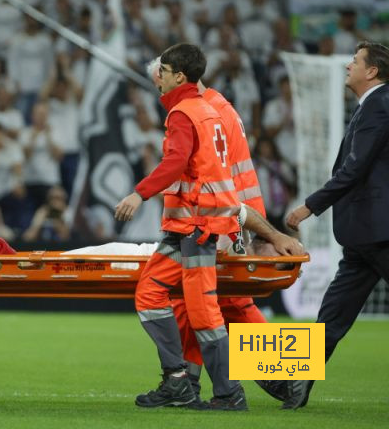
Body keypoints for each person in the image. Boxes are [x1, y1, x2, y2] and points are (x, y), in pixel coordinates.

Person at [147, 56, 301, 402]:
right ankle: (189, 384)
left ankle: (288, 377)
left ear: (179, 78)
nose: (161, 89)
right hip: (227, 218)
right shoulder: (215, 108)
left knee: (230, 303)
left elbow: (223, 179)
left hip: (226, 221)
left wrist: (261, 233)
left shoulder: (206, 114)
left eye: (162, 81)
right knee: (196, 302)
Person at [115, 43, 246, 410]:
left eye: (165, 70)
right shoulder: (209, 109)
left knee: (211, 310)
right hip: (203, 223)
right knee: (152, 293)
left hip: (199, 224)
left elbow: (176, 163)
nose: (159, 75)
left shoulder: (184, 113)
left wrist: (138, 194)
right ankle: (177, 380)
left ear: (180, 77)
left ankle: (237, 391)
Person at [284, 41, 389, 410]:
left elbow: (356, 168)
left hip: (381, 231)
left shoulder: (379, 104)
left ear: (372, 71)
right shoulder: (371, 106)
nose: (348, 66)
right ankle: (297, 384)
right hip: (364, 235)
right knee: (333, 310)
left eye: (355, 61)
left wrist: (310, 206)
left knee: (333, 312)